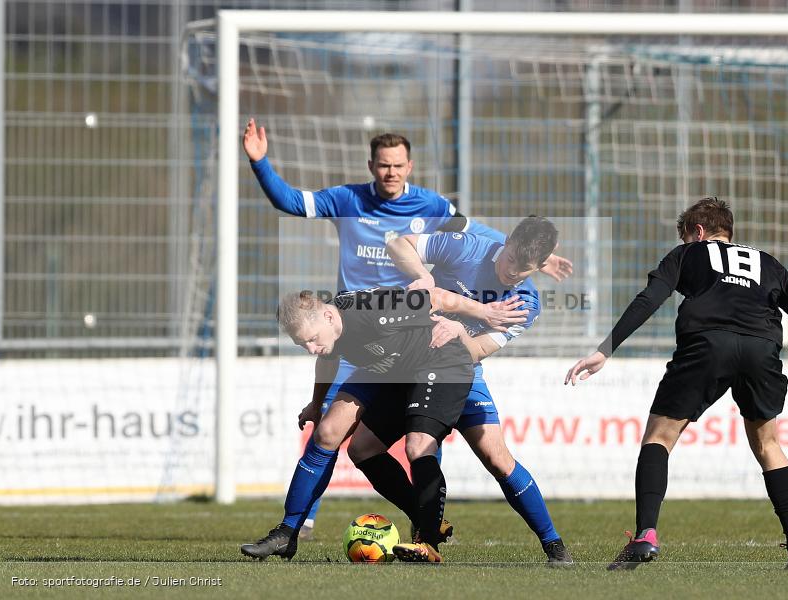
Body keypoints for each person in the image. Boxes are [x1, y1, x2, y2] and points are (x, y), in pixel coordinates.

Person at [243, 120, 573, 539]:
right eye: (383, 165)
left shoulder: (439, 213)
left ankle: (526, 539)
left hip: (432, 343)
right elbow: (306, 207)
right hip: (366, 330)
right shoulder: (348, 200)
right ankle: (296, 527)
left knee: (479, 451)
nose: (391, 173)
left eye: (398, 165)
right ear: (372, 165)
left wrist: (525, 265)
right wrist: (260, 164)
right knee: (331, 428)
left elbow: (481, 251)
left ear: (410, 166)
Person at [564, 197, 788, 571]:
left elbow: (649, 299)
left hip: (707, 343)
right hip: (761, 349)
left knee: (659, 436)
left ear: (699, 232)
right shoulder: (767, 263)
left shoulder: (687, 255)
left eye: (687, 237)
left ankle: (645, 535)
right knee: (769, 445)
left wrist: (605, 350)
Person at [344, 216, 571, 564]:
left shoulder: (524, 302)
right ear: (506, 241)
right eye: (510, 259)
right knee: (362, 448)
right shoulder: (467, 247)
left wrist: (456, 328)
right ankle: (428, 528)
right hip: (412, 362)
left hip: (460, 371)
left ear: (540, 267)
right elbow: (398, 243)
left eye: (523, 269)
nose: (511, 272)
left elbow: (478, 350)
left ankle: (554, 544)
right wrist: (424, 276)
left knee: (496, 459)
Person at [241, 286, 523, 562]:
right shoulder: (327, 329)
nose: (311, 349)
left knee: (417, 447)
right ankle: (287, 533)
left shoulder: (372, 308)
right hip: (381, 369)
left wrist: (485, 311)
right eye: (303, 344)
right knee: (327, 433)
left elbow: (435, 297)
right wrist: (316, 404)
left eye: (312, 340)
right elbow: (327, 360)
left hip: (423, 365)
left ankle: (428, 526)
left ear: (328, 316)